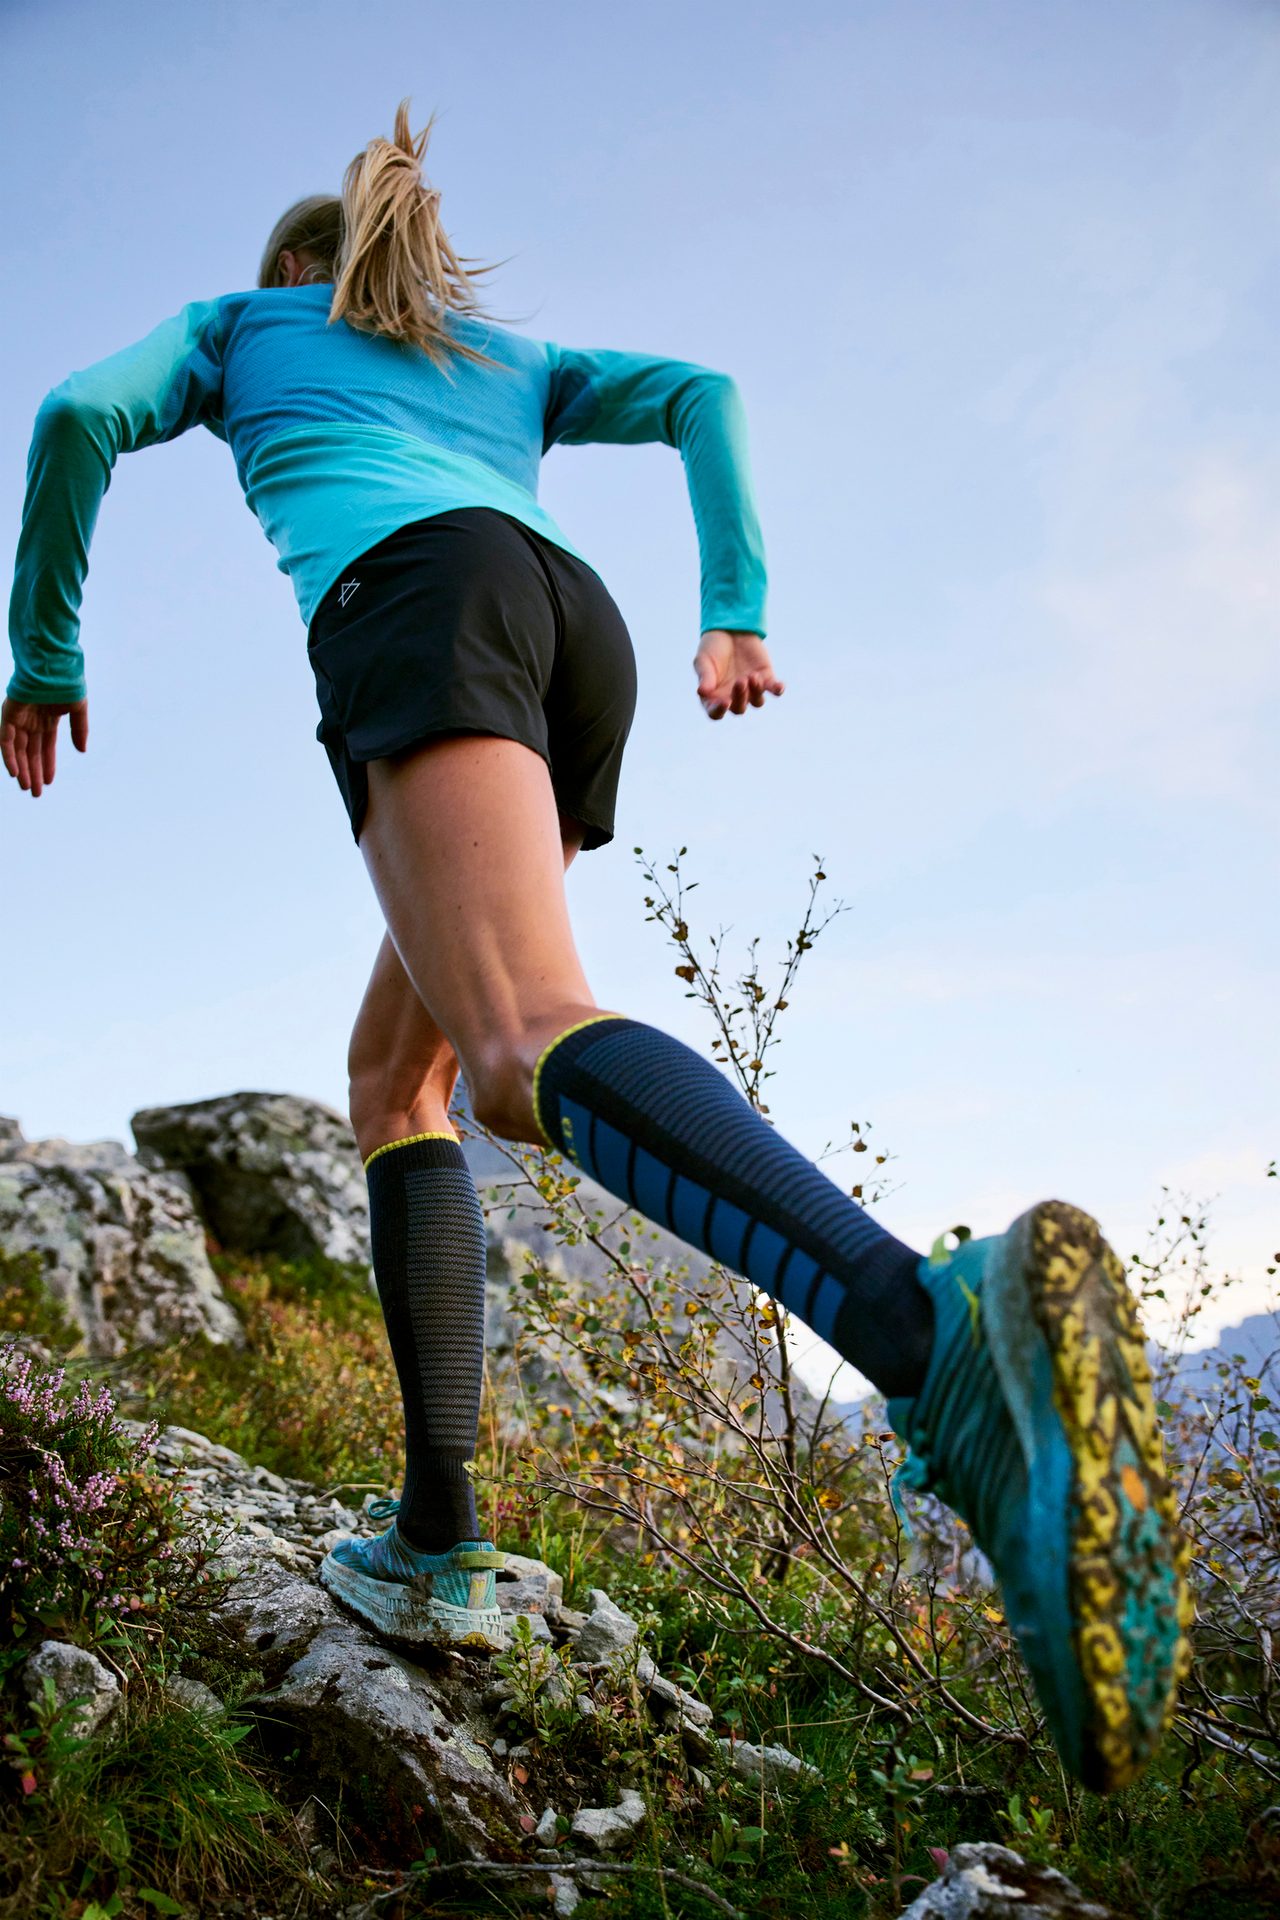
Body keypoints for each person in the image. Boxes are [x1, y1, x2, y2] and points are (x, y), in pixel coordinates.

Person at [3, 103, 1190, 1794]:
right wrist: (737, 597)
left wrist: (44, 647)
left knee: (516, 1045)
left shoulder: (240, 326)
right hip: (576, 634)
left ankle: (930, 1337)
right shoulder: (503, 350)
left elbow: (70, 417)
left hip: (418, 604)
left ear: (289, 271)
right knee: (396, 1076)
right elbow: (703, 392)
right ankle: (439, 1533)